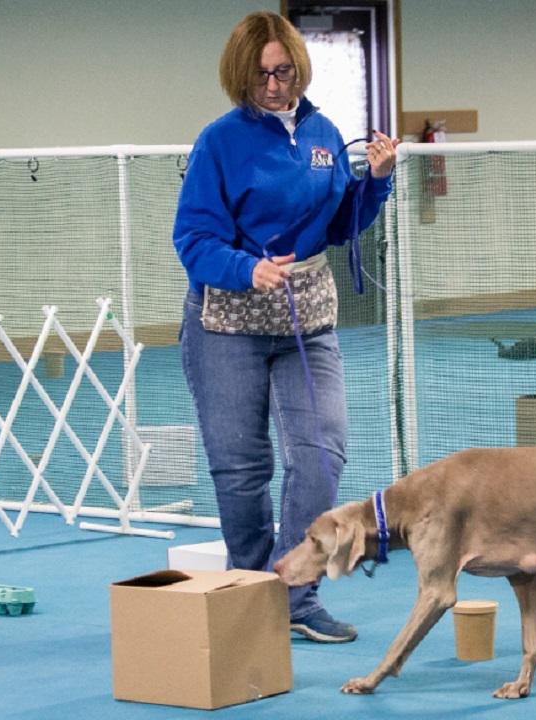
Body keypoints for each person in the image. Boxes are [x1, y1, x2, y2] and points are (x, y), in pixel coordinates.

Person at [173, 11, 398, 643]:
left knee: (323, 449)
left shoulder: (324, 132)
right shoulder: (220, 142)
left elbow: (336, 223)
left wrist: (374, 185)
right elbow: (191, 237)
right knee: (242, 468)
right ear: (241, 77)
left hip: (307, 317)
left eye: (285, 71)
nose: (275, 86)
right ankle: (251, 589)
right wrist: (247, 269)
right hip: (227, 321)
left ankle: (295, 591)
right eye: (262, 75)